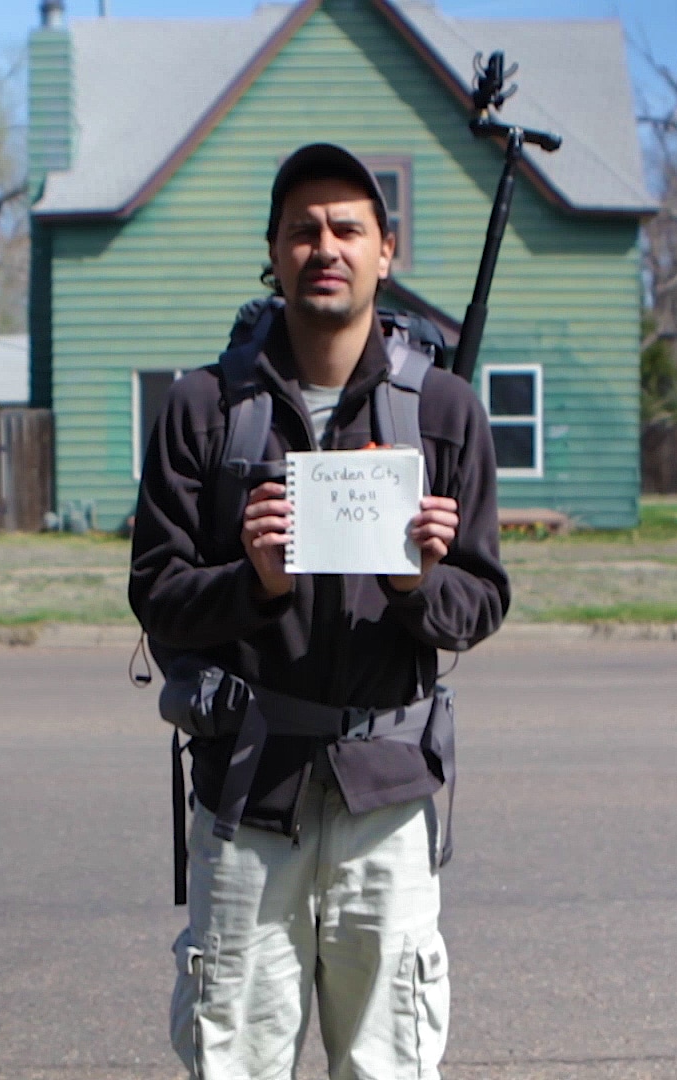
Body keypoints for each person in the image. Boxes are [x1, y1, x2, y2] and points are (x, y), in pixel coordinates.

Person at [128, 143, 510, 1079]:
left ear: (388, 250)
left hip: (387, 795)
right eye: (303, 230)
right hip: (247, 795)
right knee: (236, 1060)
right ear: (274, 252)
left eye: (348, 228)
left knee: (389, 1062)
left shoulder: (447, 412)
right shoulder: (204, 410)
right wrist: (251, 582)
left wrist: (421, 585)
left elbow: (483, 599)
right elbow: (156, 596)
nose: (324, 247)